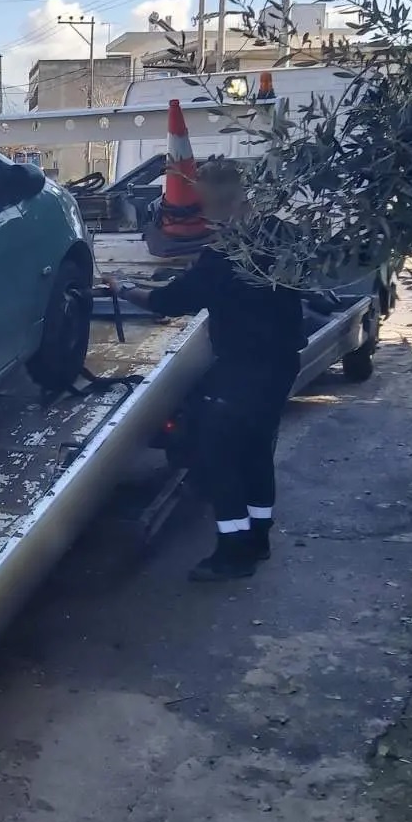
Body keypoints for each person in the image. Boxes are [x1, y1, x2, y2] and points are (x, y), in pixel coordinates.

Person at [108, 158, 304, 582]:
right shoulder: (283, 235)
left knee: (217, 455)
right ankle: (258, 539)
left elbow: (170, 301)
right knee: (255, 451)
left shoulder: (224, 255)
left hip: (244, 370)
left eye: (200, 199)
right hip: (281, 364)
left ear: (217, 199)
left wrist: (123, 289)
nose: (197, 208)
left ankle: (233, 553)